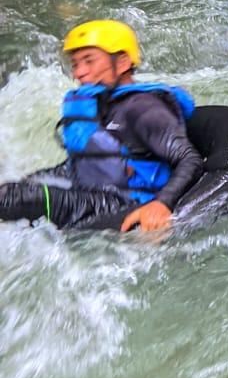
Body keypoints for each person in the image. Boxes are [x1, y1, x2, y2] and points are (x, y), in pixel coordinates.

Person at [0, 20, 202, 231]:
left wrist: (162, 204)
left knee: (13, 198)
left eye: (89, 61)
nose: (79, 72)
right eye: (75, 64)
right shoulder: (101, 104)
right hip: (93, 189)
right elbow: (93, 160)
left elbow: (189, 159)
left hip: (123, 204)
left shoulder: (143, 108)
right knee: (17, 188)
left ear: (122, 63)